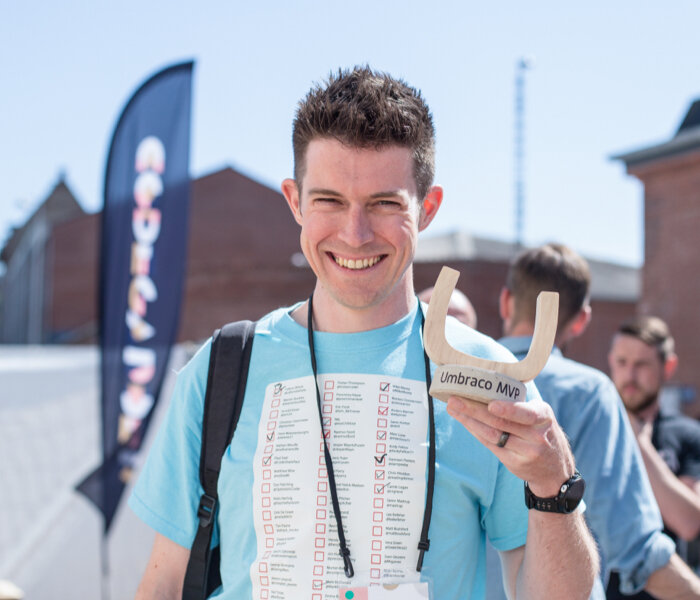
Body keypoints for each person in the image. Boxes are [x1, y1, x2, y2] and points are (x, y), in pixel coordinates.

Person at [129, 66, 597, 599]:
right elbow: (163, 584)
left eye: (384, 203)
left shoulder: (488, 377)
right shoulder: (222, 370)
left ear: (427, 208)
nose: (355, 235)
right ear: (295, 201)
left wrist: (554, 484)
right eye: (329, 200)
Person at [488, 243, 700, 599]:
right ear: (582, 319)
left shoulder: (454, 381)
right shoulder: (589, 393)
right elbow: (635, 546)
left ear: (506, 301)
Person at [607, 315, 700, 599]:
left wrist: (639, 445)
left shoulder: (686, 433)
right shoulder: (594, 428)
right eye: (622, 362)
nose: (630, 375)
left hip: (665, 590)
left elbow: (689, 522)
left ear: (667, 367)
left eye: (642, 364)